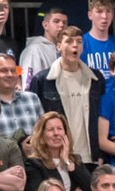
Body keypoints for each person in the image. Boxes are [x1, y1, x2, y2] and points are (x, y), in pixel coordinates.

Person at [32, 25, 105, 163]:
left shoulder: (95, 78)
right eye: (69, 41)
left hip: (90, 156)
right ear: (58, 46)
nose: (75, 45)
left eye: (79, 41)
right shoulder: (42, 80)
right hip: (57, 156)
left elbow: (102, 118)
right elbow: (37, 122)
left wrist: (101, 153)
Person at [23, 111, 92, 191]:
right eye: (50, 130)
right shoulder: (34, 164)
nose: (56, 133)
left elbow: (90, 187)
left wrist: (67, 161)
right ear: (42, 136)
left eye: (59, 129)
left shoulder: (75, 160)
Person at [79, 0, 115, 80]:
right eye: (99, 11)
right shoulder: (80, 43)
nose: (104, 16)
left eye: (108, 11)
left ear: (112, 15)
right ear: (90, 15)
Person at [19, 7, 67, 89]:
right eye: (56, 21)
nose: (61, 25)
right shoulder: (34, 50)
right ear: (45, 25)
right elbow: (29, 84)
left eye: (65, 22)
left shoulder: (65, 50)